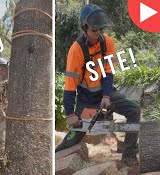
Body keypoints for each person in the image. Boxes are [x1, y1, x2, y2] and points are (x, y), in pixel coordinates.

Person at [55, 4, 140, 166]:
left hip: (105, 94)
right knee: (74, 136)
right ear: (84, 28)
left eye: (100, 29)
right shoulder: (76, 50)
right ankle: (56, 159)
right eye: (95, 30)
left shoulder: (108, 43)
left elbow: (108, 73)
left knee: (134, 111)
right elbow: (70, 85)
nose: (98, 33)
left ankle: (129, 154)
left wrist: (107, 95)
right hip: (86, 100)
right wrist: (70, 114)